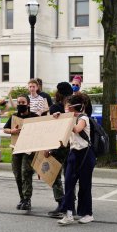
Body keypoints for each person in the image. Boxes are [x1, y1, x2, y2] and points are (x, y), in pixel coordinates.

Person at [57, 94, 96, 225]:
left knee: (85, 185)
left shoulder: (83, 118)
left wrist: (65, 120)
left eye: (68, 107)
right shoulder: (70, 118)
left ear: (75, 107)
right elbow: (67, 140)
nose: (66, 109)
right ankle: (68, 213)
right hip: (73, 154)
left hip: (85, 154)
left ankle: (88, 214)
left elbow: (77, 129)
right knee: (68, 184)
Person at [3, 94, 39, 210]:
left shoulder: (34, 116)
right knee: (17, 174)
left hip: (29, 149)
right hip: (16, 148)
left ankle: (27, 199)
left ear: (28, 104)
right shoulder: (14, 116)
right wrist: (12, 131)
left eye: (23, 102)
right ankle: (22, 198)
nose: (20, 104)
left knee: (26, 173)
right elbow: (5, 129)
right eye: (18, 102)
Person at [45, 82, 73, 217]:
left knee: (56, 174)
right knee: (68, 175)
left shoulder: (56, 107)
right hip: (69, 145)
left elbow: (53, 129)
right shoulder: (72, 106)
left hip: (60, 145)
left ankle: (62, 203)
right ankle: (69, 203)